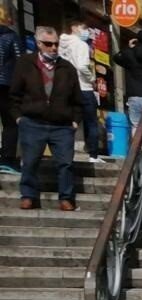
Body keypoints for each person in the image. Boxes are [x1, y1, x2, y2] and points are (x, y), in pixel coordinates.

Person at [10, 26, 81, 211]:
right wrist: (18, 118)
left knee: (65, 163)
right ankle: (28, 195)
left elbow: (77, 99)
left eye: (56, 44)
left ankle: (66, 198)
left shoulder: (67, 68)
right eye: (48, 44)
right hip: (32, 122)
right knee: (30, 161)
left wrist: (75, 120)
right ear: (39, 44)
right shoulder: (25, 63)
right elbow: (14, 94)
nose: (53, 48)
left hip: (62, 125)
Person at [58, 21, 102, 163]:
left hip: (67, 87)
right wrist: (92, 79)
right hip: (84, 87)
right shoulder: (81, 45)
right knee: (91, 122)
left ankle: (65, 153)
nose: (86, 32)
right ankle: (93, 154)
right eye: (84, 28)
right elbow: (82, 66)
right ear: (74, 28)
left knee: (68, 121)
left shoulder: (61, 45)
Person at [0, 10, 22, 174]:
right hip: (6, 84)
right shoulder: (11, 36)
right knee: (10, 122)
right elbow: (20, 60)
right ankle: (7, 160)